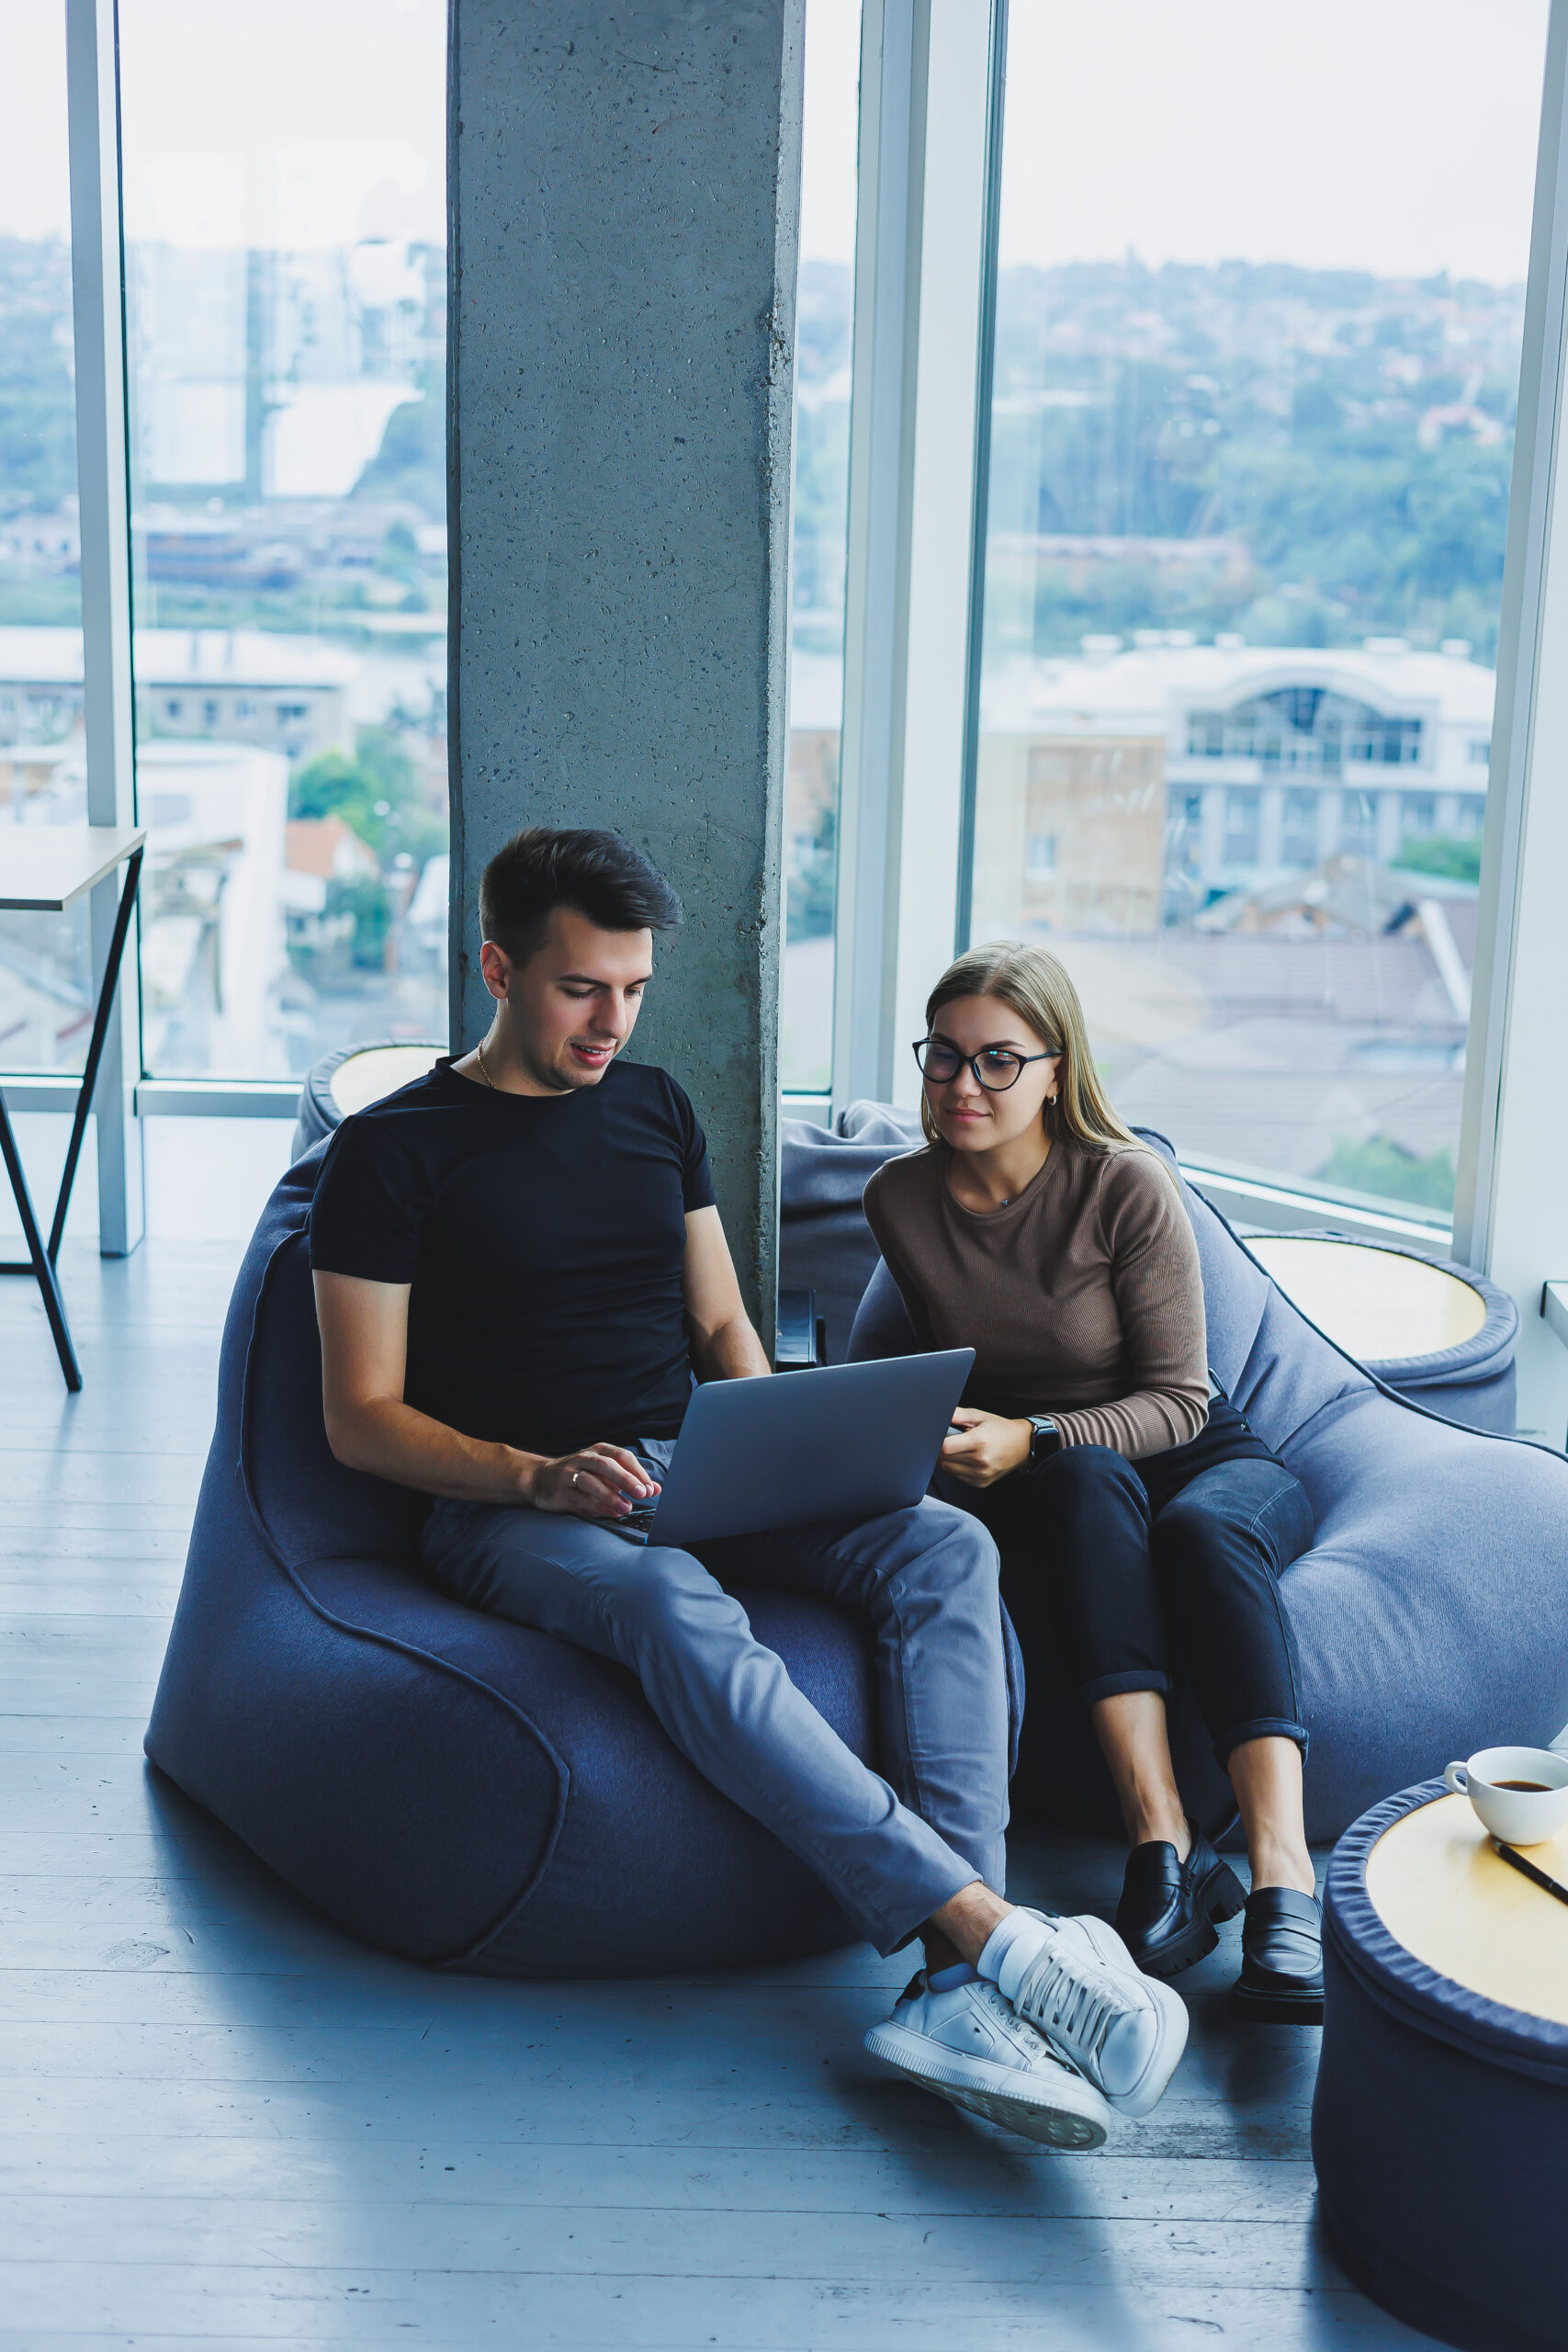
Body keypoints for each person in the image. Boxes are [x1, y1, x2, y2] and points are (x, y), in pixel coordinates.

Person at [307, 825, 1189, 2146]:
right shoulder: (392, 1154)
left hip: (695, 1462)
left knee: (943, 1548)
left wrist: (805, 1440)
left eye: (634, 989)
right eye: (578, 988)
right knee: (668, 1603)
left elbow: (725, 1339)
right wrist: (538, 1476)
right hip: (508, 1510)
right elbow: (358, 1421)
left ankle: (955, 1989)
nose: (613, 1020)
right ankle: (986, 1937)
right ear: (495, 967)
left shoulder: (657, 1110)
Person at [862, 940, 1324, 2022]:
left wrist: (1032, 1433)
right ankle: (1162, 1843)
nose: (962, 1085)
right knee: (1083, 1489)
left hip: (1201, 1456)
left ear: (1057, 1070)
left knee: (1200, 1537)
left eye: (998, 1061)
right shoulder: (900, 1198)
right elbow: (920, 1367)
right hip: (1064, 1478)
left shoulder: (1124, 1184)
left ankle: (1277, 1872)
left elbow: (1183, 1398)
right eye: (942, 1057)